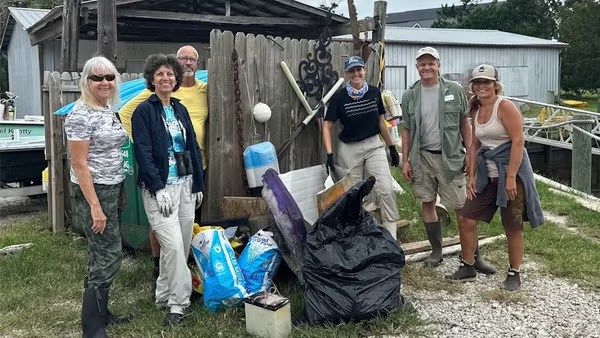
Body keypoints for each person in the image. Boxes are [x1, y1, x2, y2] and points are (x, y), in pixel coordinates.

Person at [447, 64, 544, 290]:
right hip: (485, 175)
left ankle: (514, 273)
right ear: (473, 86)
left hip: (511, 173)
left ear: (495, 85)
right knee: (466, 219)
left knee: (512, 225)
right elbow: (474, 145)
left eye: (486, 82)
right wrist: (471, 176)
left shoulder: (506, 107)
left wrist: (510, 177)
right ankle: (468, 265)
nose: (482, 86)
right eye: (478, 82)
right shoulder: (476, 110)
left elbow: (519, 142)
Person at [400, 47, 495, 271]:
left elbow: (464, 122)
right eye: (422, 64)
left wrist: (470, 153)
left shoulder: (453, 89)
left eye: (431, 63)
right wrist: (405, 160)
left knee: (463, 208)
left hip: (450, 157)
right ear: (417, 67)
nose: (427, 67)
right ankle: (436, 251)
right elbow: (406, 130)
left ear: (438, 65)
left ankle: (473, 256)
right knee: (427, 202)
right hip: (421, 157)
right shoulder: (410, 94)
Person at [119, 45, 208, 279]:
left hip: (190, 169)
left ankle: (169, 282)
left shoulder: (202, 91)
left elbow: (194, 137)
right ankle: (162, 273)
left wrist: (197, 179)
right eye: (183, 59)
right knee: (165, 232)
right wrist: (145, 141)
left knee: (183, 230)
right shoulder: (150, 101)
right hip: (160, 174)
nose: (187, 62)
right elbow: (127, 114)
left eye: (192, 59)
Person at [131, 54, 205, 326]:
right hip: (159, 190)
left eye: (170, 74)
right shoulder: (144, 111)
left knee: (181, 246)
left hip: (185, 185)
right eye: (160, 74)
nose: (166, 78)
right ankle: (178, 304)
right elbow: (143, 152)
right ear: (152, 79)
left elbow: (192, 148)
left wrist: (198, 183)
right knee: (172, 247)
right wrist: (157, 187)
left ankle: (163, 294)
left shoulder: (180, 108)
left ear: (176, 79)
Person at [65, 56, 131, 337]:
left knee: (101, 252)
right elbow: (79, 163)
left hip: (112, 186)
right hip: (95, 190)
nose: (104, 82)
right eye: (97, 78)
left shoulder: (106, 109)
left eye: (109, 77)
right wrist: (95, 206)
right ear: (86, 82)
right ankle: (92, 326)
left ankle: (102, 314)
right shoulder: (81, 114)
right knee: (108, 253)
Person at [322, 55, 401, 240]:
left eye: (359, 69)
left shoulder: (374, 92)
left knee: (386, 188)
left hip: (374, 145)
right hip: (350, 149)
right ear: (347, 74)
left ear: (364, 71)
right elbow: (327, 126)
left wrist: (391, 147)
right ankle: (360, 235)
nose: (356, 73)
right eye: (352, 71)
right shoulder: (339, 98)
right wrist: (329, 154)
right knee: (355, 193)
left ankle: (391, 236)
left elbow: (381, 122)